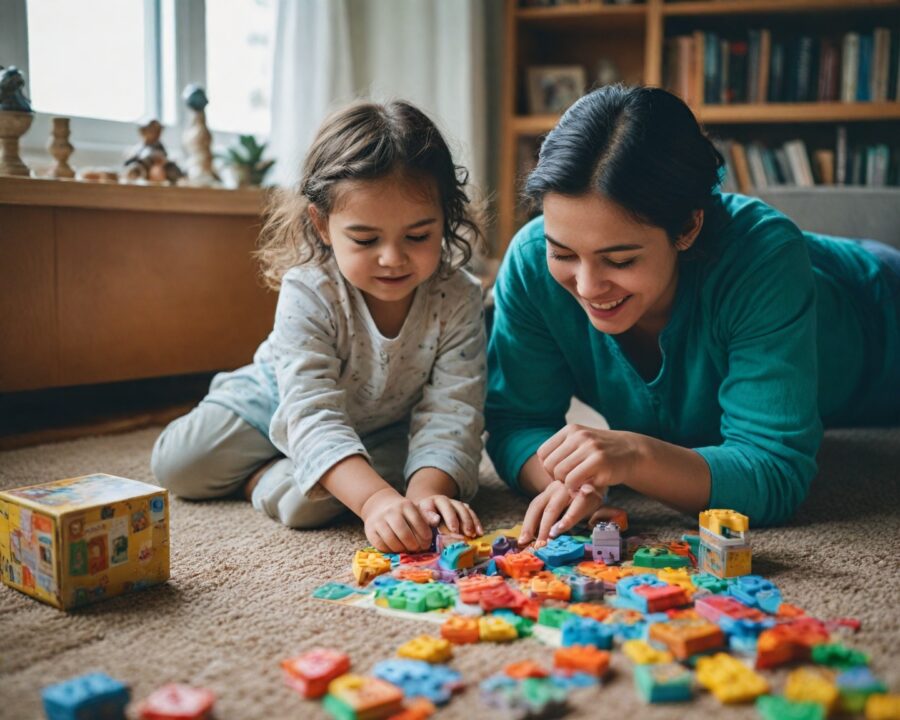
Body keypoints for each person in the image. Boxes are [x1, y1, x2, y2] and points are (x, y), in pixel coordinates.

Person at [486, 85, 900, 546]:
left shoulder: (763, 259)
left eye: (620, 260)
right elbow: (516, 422)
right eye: (563, 252)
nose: (586, 286)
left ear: (688, 226)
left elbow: (774, 472)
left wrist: (635, 456)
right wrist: (566, 479)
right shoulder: (528, 261)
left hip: (882, 318)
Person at [152, 100, 487, 553]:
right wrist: (372, 501)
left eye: (418, 236)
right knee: (179, 464)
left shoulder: (461, 296)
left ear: (445, 219)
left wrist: (423, 498)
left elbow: (453, 412)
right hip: (278, 398)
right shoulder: (309, 289)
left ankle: (284, 476)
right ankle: (277, 469)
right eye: (365, 239)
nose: (392, 258)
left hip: (384, 421)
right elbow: (308, 409)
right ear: (322, 224)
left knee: (314, 505)